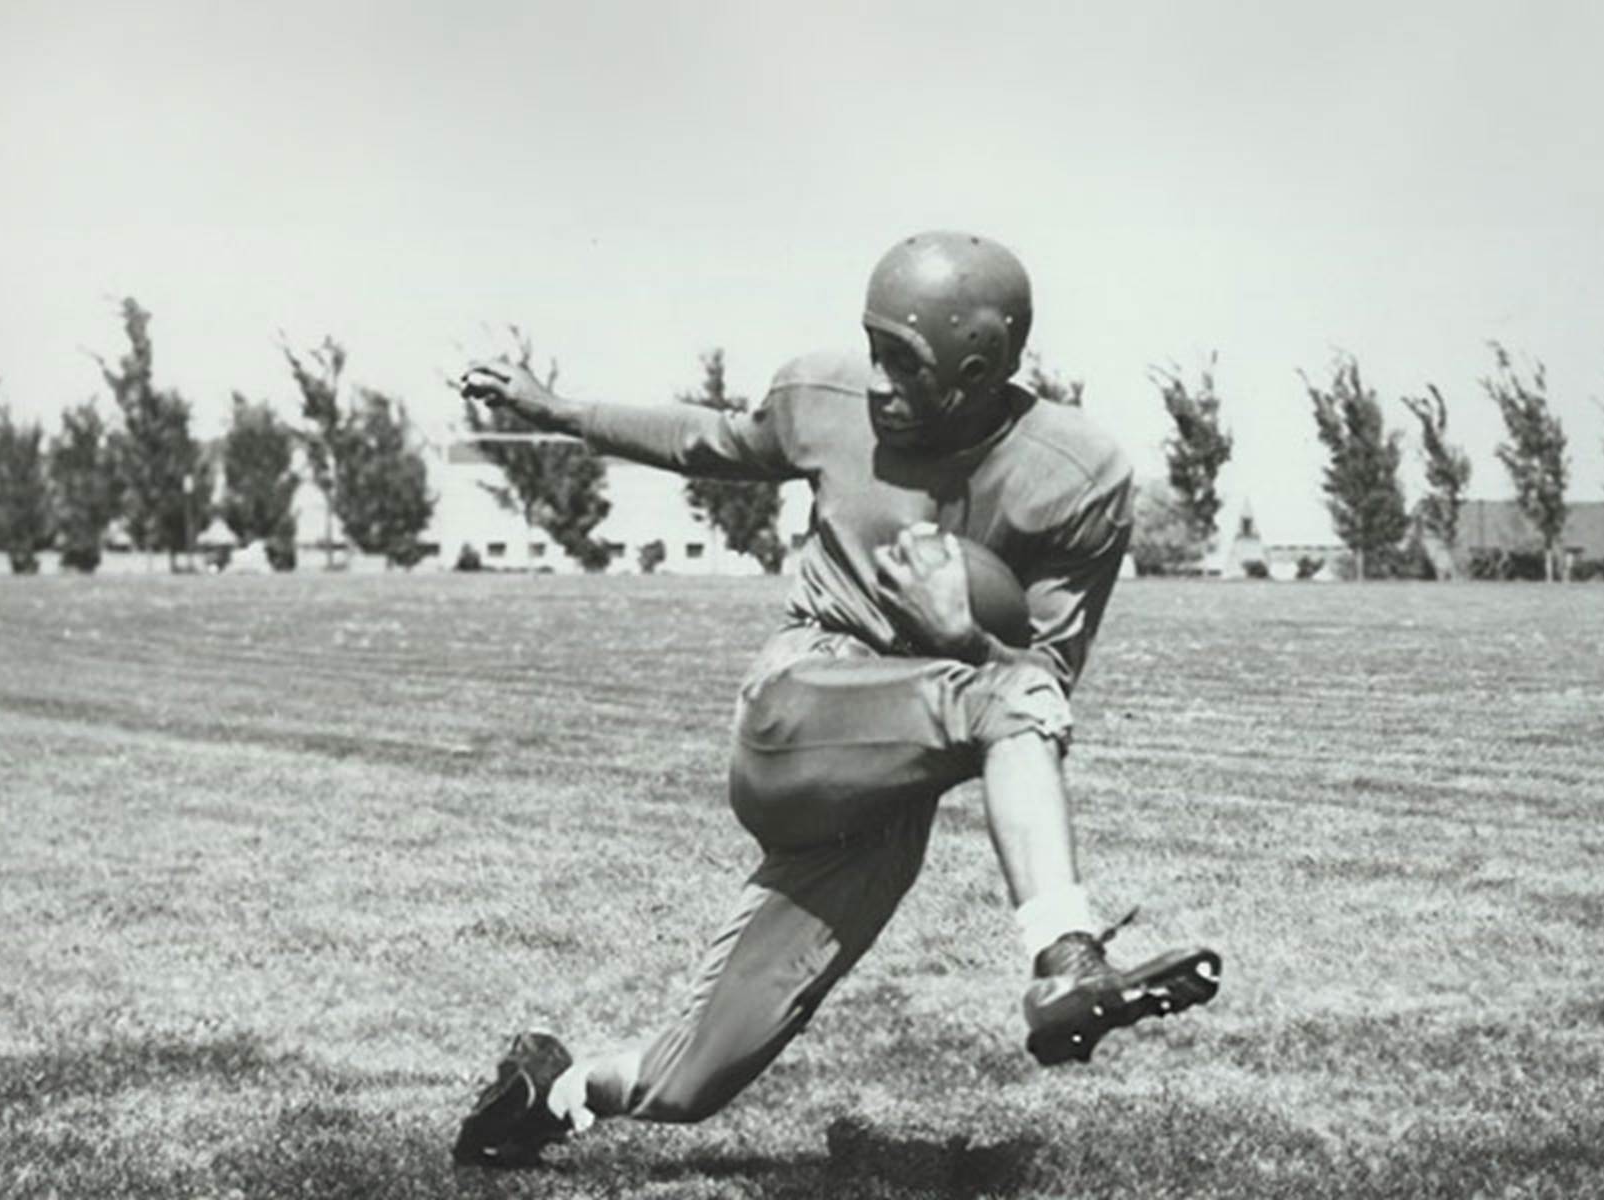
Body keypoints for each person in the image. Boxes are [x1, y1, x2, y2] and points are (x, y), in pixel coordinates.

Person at [451, 231, 1220, 1167]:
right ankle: (1066, 960)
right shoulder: (825, 397)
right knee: (1000, 698)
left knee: (691, 1081)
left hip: (891, 787)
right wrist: (557, 407)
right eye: (875, 346)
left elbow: (1044, 679)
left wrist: (963, 634)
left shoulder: (1077, 476)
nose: (880, 379)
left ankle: (550, 1090)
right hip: (799, 707)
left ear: (979, 371)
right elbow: (713, 440)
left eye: (908, 362)